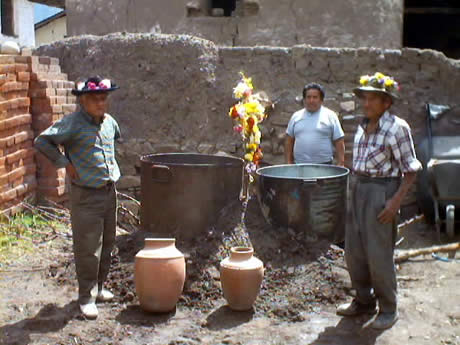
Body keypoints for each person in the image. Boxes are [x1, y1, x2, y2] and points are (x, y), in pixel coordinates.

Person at [337, 72, 422, 329]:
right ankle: (363, 300)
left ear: (387, 103)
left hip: (382, 192)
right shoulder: (362, 127)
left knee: (379, 255)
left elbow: (411, 169)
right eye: (365, 98)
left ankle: (388, 308)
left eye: (374, 99)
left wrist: (395, 202)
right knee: (354, 252)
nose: (367, 103)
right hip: (359, 188)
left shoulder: (398, 128)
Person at [34, 76, 121, 319]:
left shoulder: (110, 123)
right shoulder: (71, 124)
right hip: (86, 194)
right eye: (95, 100)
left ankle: (100, 288)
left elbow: (112, 145)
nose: (100, 104)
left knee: (108, 243)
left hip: (108, 191)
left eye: (104, 99)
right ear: (83, 101)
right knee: (88, 248)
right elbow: (42, 141)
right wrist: (64, 164)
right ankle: (86, 297)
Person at [285, 83, 345, 166]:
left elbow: (339, 140)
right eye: (308, 97)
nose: (311, 100)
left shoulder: (330, 116)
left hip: (324, 166)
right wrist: (289, 162)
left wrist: (341, 162)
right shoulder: (296, 116)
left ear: (321, 99)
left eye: (315, 97)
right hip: (300, 166)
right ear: (304, 99)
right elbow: (289, 140)